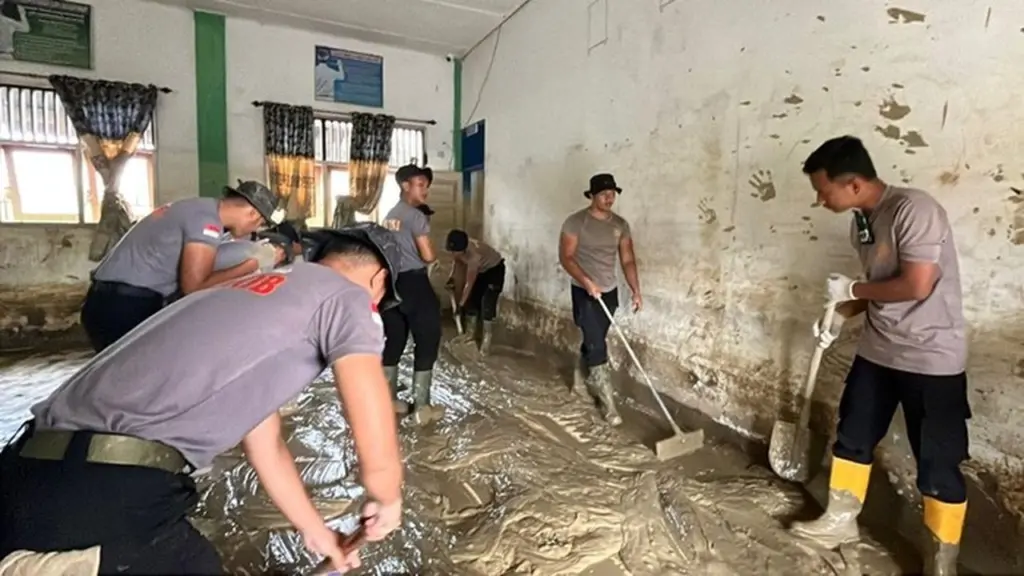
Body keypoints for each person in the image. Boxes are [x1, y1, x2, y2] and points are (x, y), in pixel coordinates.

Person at [0, 223, 406, 575]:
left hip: (25, 472)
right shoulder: (349, 297)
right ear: (379, 281)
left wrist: (316, 532)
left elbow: (266, 444)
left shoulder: (247, 294)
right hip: (101, 492)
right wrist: (386, 494)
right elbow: (369, 408)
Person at [789, 136, 970, 576]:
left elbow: (917, 285)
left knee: (938, 460)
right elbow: (881, 288)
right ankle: (840, 520)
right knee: (853, 434)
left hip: (930, 356)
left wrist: (851, 289)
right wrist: (840, 314)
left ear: (852, 184)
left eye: (823, 190)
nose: (820, 200)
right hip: (878, 351)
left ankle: (941, 558)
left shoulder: (915, 210)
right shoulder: (861, 223)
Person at [80, 180, 285, 352]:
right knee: (136, 380)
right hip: (123, 307)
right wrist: (252, 265)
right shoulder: (207, 222)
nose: (255, 230)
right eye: (260, 223)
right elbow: (194, 287)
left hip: (107, 300)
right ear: (253, 214)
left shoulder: (199, 208)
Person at [558, 173, 642, 427]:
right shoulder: (576, 222)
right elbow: (566, 257)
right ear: (592, 196)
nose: (609, 198)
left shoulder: (620, 225)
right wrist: (586, 281)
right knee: (597, 344)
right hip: (584, 291)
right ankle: (608, 405)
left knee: (595, 339)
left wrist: (636, 290)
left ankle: (579, 377)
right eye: (604, 194)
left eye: (612, 194)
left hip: (609, 291)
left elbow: (627, 259)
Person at [380, 164, 444, 422]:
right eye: (420, 184)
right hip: (415, 283)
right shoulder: (416, 217)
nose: (425, 190)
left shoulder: (390, 215)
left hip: (391, 284)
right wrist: (433, 252)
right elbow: (428, 255)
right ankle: (422, 407)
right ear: (405, 185)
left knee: (394, 339)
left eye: (426, 185)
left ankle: (388, 401)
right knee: (428, 338)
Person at [444, 229, 506, 356]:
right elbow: (457, 261)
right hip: (482, 270)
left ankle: (487, 339)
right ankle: (469, 334)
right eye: (452, 251)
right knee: (472, 301)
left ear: (463, 249)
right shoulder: (460, 248)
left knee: (487, 303)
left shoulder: (474, 256)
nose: (453, 254)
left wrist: (460, 305)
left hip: (494, 270)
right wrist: (451, 277)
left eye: (455, 252)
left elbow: (469, 283)